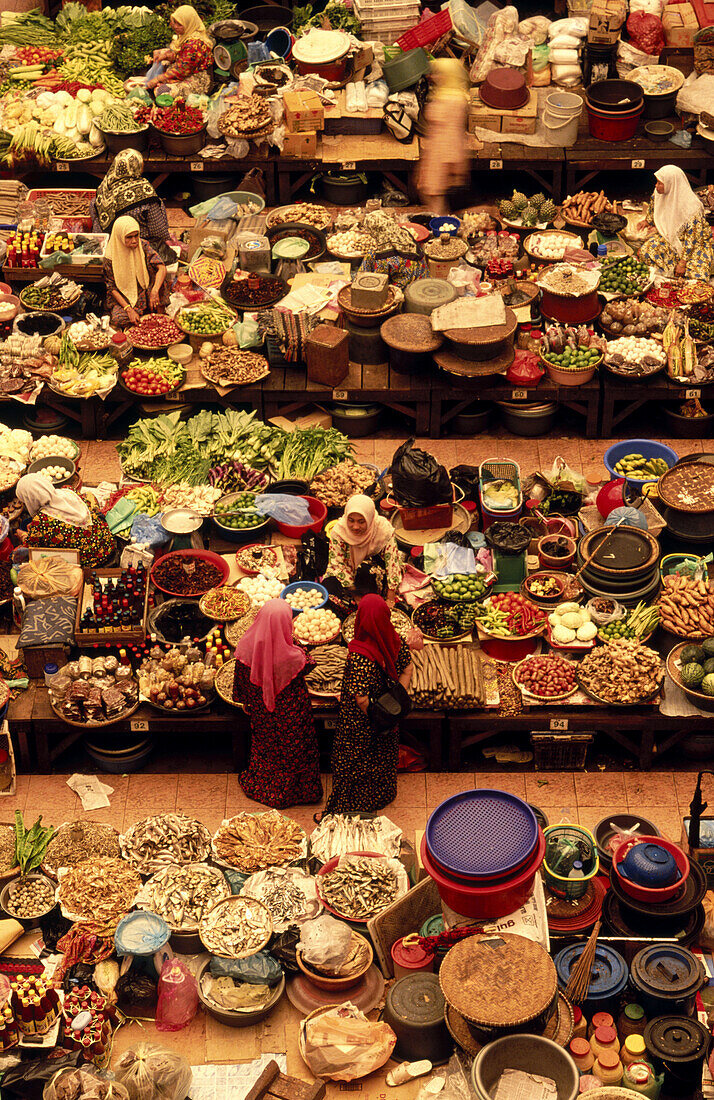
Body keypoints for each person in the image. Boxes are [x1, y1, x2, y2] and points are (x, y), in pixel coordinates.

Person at [324, 594, 413, 814]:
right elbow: (408, 668)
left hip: (362, 722)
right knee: (382, 756)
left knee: (354, 761)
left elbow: (361, 697)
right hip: (388, 714)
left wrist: (374, 716)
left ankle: (352, 805)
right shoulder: (394, 639)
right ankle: (382, 794)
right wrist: (393, 704)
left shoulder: (360, 656)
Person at [232, 599, 322, 809]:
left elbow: (239, 686)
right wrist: (293, 642)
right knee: (295, 752)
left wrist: (246, 701)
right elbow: (310, 663)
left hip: (262, 714)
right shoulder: (294, 658)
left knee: (267, 748)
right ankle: (299, 792)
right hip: (291, 716)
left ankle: (268, 787)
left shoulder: (245, 646)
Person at [91, 150, 174, 265]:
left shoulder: (104, 188)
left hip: (110, 245)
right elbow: (158, 231)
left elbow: (95, 217)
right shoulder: (144, 190)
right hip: (138, 245)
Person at [16, 474, 115, 568]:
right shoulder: (69, 491)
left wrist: (23, 535)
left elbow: (32, 548)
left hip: (93, 559)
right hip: (107, 542)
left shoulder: (41, 521)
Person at [324, 495, 403, 606]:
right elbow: (338, 563)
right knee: (329, 589)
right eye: (351, 520)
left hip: (373, 568)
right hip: (348, 571)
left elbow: (392, 562)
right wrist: (355, 594)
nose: (355, 527)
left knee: (366, 572)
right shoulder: (339, 532)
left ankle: (372, 597)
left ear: (370, 519)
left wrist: (390, 597)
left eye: (361, 522)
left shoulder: (383, 529)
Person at [415, 59, 470, 215]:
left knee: (436, 200)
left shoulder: (453, 100)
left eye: (438, 73)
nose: (433, 77)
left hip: (442, 159)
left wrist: (452, 167)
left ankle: (443, 230)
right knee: (431, 197)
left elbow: (453, 134)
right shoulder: (445, 93)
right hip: (436, 155)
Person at [639, 165, 714, 280]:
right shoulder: (658, 193)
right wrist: (647, 220)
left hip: (694, 244)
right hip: (670, 235)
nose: (656, 185)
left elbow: (693, 238)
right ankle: (668, 276)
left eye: (660, 183)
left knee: (697, 274)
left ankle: (677, 272)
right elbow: (654, 208)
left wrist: (683, 263)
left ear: (671, 184)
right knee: (647, 251)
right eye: (657, 182)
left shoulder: (692, 207)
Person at [103, 216, 169, 328]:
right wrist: (128, 309)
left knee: (161, 281)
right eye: (129, 237)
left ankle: (157, 313)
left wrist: (155, 290)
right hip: (124, 295)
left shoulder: (143, 245)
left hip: (145, 287)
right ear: (119, 237)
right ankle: (141, 312)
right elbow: (111, 288)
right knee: (119, 319)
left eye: (136, 235)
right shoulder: (110, 258)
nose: (134, 241)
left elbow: (161, 267)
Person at [146, 5, 213, 96]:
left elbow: (182, 69)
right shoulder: (189, 33)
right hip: (189, 69)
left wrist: (158, 78)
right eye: (175, 22)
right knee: (164, 61)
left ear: (188, 24)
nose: (176, 27)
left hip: (199, 77)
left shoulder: (193, 45)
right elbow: (182, 55)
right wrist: (165, 56)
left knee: (162, 92)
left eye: (180, 24)